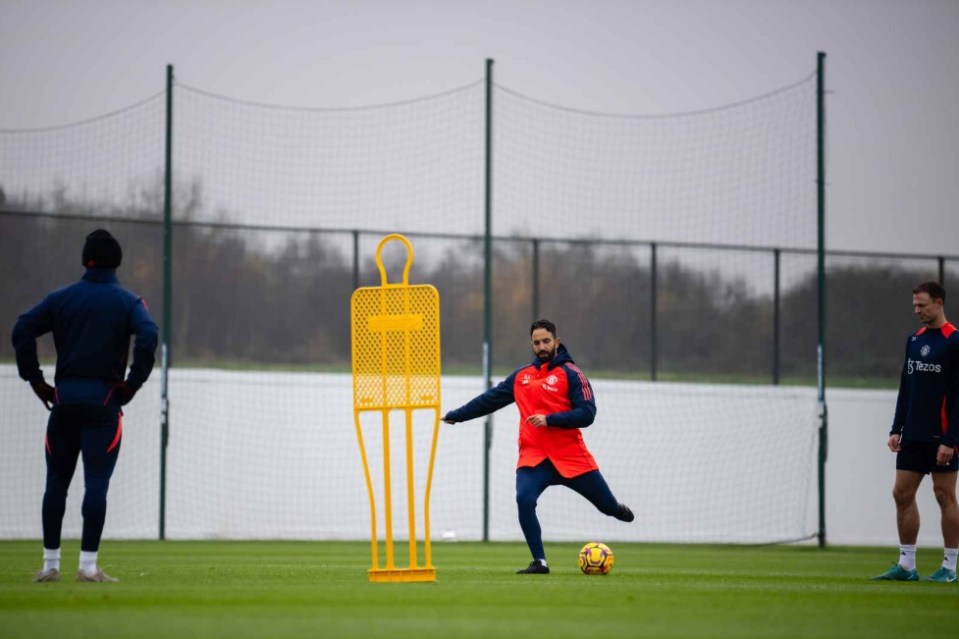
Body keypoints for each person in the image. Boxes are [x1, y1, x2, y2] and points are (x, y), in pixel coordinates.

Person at [12, 229, 159, 583]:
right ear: (117, 261)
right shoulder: (128, 302)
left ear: (84, 259)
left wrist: (35, 380)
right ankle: (88, 567)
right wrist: (132, 384)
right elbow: (149, 335)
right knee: (96, 485)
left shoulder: (61, 298)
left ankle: (49, 566)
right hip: (104, 403)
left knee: (56, 484)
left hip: (63, 402)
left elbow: (22, 329)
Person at [442, 319, 634, 574]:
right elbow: (490, 399)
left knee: (607, 507)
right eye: (536, 342)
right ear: (531, 344)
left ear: (556, 341)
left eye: (546, 341)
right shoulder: (522, 376)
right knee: (524, 498)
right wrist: (458, 415)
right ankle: (539, 562)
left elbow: (587, 414)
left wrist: (549, 420)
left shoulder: (571, 373)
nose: (541, 346)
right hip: (534, 458)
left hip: (571, 456)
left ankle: (614, 508)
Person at [872, 281, 959, 583]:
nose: (917, 311)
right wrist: (897, 427)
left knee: (944, 495)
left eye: (922, 305)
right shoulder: (914, 339)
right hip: (913, 434)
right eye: (914, 306)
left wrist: (951, 440)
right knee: (901, 493)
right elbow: (905, 387)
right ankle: (906, 565)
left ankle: (949, 568)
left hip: (942, 437)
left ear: (938, 303)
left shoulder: (954, 341)